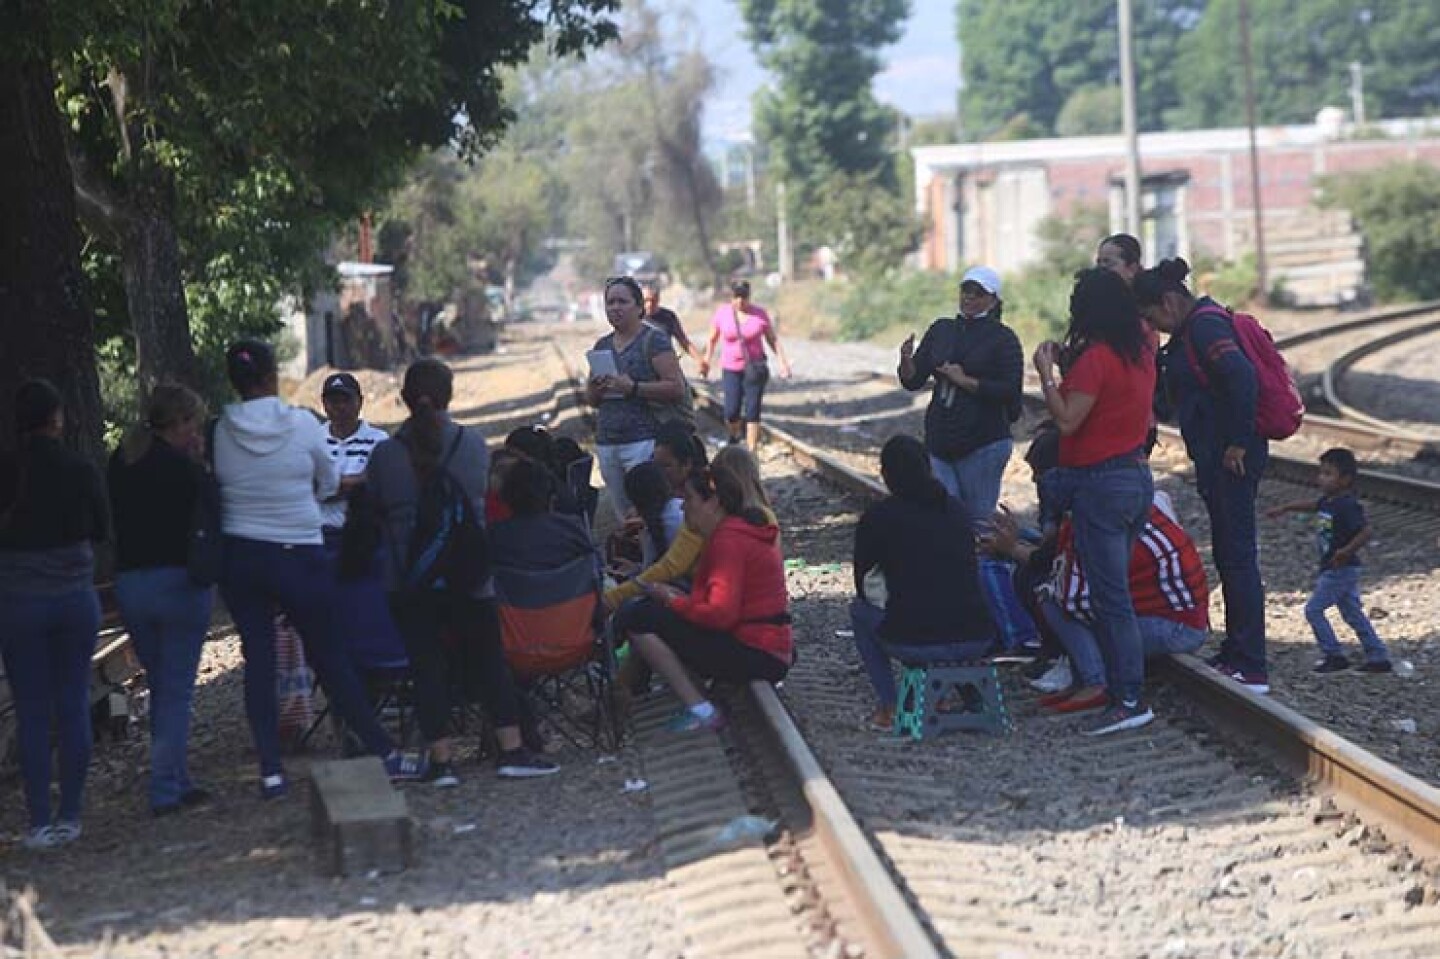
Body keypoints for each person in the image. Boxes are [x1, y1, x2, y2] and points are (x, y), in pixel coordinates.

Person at [213, 340, 408, 798]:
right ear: (272, 376)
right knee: (329, 654)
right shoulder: (302, 425)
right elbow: (326, 484)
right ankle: (382, 749)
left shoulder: (221, 430)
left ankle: (271, 771)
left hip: (242, 555)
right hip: (297, 551)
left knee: (258, 662)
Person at [366, 358, 558, 784]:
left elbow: (374, 509)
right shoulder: (472, 446)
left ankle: (442, 761)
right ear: (450, 397)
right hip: (469, 575)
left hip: (410, 581)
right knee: (490, 660)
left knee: (427, 666)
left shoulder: (385, 455)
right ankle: (511, 751)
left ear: (404, 398)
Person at [1134, 258, 1270, 693]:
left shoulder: (1206, 328)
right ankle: (1236, 651)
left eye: (1153, 315)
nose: (1153, 324)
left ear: (1170, 302)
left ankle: (1251, 663)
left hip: (1231, 459)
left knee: (1238, 556)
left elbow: (1242, 379)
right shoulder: (1193, 329)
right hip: (1217, 456)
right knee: (1230, 554)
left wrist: (1237, 443)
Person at [1032, 268, 1156, 735]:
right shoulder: (1141, 351)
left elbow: (1067, 421)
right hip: (1134, 476)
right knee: (1113, 594)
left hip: (1101, 486)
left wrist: (1046, 376)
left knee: (1111, 600)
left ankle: (1127, 697)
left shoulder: (1097, 359)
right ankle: (1114, 684)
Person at [0, 380, 109, 849]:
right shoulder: (80, 466)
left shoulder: (8, 470)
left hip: (19, 601)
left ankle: (38, 822)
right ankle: (71, 813)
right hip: (74, 598)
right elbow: (103, 528)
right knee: (72, 703)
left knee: (31, 711)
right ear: (57, 418)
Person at [613, 467, 792, 732]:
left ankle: (701, 710)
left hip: (759, 650)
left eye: (689, 499)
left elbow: (720, 616)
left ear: (714, 502)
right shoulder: (735, 531)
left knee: (640, 617)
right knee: (649, 612)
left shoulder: (728, 541)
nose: (684, 508)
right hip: (767, 643)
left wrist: (671, 600)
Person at [108, 384, 214, 817]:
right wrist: (201, 464)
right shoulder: (184, 470)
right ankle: (164, 788)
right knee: (175, 694)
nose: (197, 432)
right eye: (195, 424)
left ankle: (179, 777)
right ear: (181, 422)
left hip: (132, 586)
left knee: (160, 685)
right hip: (179, 584)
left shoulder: (121, 460)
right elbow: (209, 512)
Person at [851, 436, 996, 730]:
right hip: (977, 636)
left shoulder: (879, 517)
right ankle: (946, 694)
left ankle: (890, 705)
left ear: (887, 475)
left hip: (916, 641)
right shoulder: (956, 510)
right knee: (928, 606)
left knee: (861, 611)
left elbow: (863, 583)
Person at [898, 265, 1023, 528]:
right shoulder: (942, 329)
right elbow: (913, 379)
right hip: (940, 439)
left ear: (993, 299)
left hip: (983, 443)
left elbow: (1010, 391)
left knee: (978, 522)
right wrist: (906, 361)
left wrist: (966, 381)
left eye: (978, 293)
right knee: (943, 516)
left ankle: (981, 569)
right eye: (966, 290)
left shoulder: (1003, 338)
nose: (970, 298)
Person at [1266, 448, 1392, 674]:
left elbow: (1365, 532)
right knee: (1352, 613)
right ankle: (1378, 656)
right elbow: (1312, 505)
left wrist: (1346, 550)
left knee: (1313, 610)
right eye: (1321, 473)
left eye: (1328, 474)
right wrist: (1285, 508)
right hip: (1335, 568)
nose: (1321, 478)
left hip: (1340, 569)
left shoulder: (1347, 505)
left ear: (1345, 480)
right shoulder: (1329, 501)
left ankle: (1334, 655)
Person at [318, 373, 407, 673]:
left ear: (359, 403)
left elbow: (382, 483)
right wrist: (354, 484)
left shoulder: (379, 441)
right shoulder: (313, 441)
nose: (339, 407)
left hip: (366, 538)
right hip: (323, 538)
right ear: (324, 405)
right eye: (333, 401)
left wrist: (333, 485)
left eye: (346, 400)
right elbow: (305, 484)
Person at [585, 275, 685, 521]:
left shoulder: (653, 340)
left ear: (639, 307)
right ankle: (632, 557)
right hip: (608, 442)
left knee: (649, 511)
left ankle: (654, 557)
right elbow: (591, 399)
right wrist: (597, 390)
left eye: (622, 301)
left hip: (644, 440)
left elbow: (676, 387)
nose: (615, 308)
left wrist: (633, 388)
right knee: (624, 515)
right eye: (610, 303)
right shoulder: (602, 345)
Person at [603, 423, 710, 611]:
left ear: (687, 464)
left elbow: (669, 567)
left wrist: (614, 597)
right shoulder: (673, 510)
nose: (660, 471)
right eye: (655, 463)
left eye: (666, 465)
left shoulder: (690, 513)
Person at [704, 279, 792, 448]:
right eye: (737, 297)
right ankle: (734, 436)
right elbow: (712, 339)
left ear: (749, 297)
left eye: (744, 297)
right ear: (731, 297)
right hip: (731, 368)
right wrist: (706, 360)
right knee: (731, 411)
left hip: (755, 368)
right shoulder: (723, 313)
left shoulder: (759, 314)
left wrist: (783, 362)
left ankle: (752, 451)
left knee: (753, 410)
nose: (740, 301)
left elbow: (772, 340)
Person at [642, 283, 707, 374]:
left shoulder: (668, 316)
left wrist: (699, 360)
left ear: (658, 299)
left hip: (666, 366)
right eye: (646, 301)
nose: (649, 304)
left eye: (653, 300)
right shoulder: (635, 317)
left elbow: (683, 340)